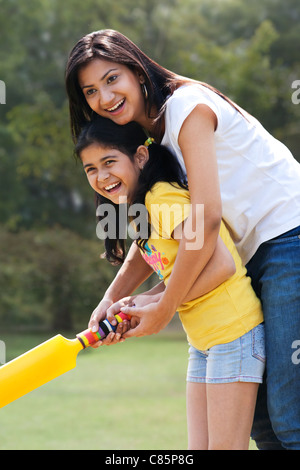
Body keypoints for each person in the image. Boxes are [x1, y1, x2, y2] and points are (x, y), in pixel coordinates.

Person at [65, 29, 300, 449]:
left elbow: (205, 222)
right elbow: (159, 232)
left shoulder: (187, 108)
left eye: (111, 79)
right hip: (250, 252)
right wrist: (113, 296)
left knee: (289, 413)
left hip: (288, 236)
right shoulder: (149, 141)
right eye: (90, 91)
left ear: (137, 70)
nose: (104, 97)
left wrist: (164, 306)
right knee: (263, 425)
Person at [75, 115, 265, 450]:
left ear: (140, 156)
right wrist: (138, 299)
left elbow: (220, 265)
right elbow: (183, 270)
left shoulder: (163, 200)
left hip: (233, 334)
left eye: (109, 162)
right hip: (204, 341)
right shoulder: (143, 206)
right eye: (91, 168)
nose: (102, 177)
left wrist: (157, 304)